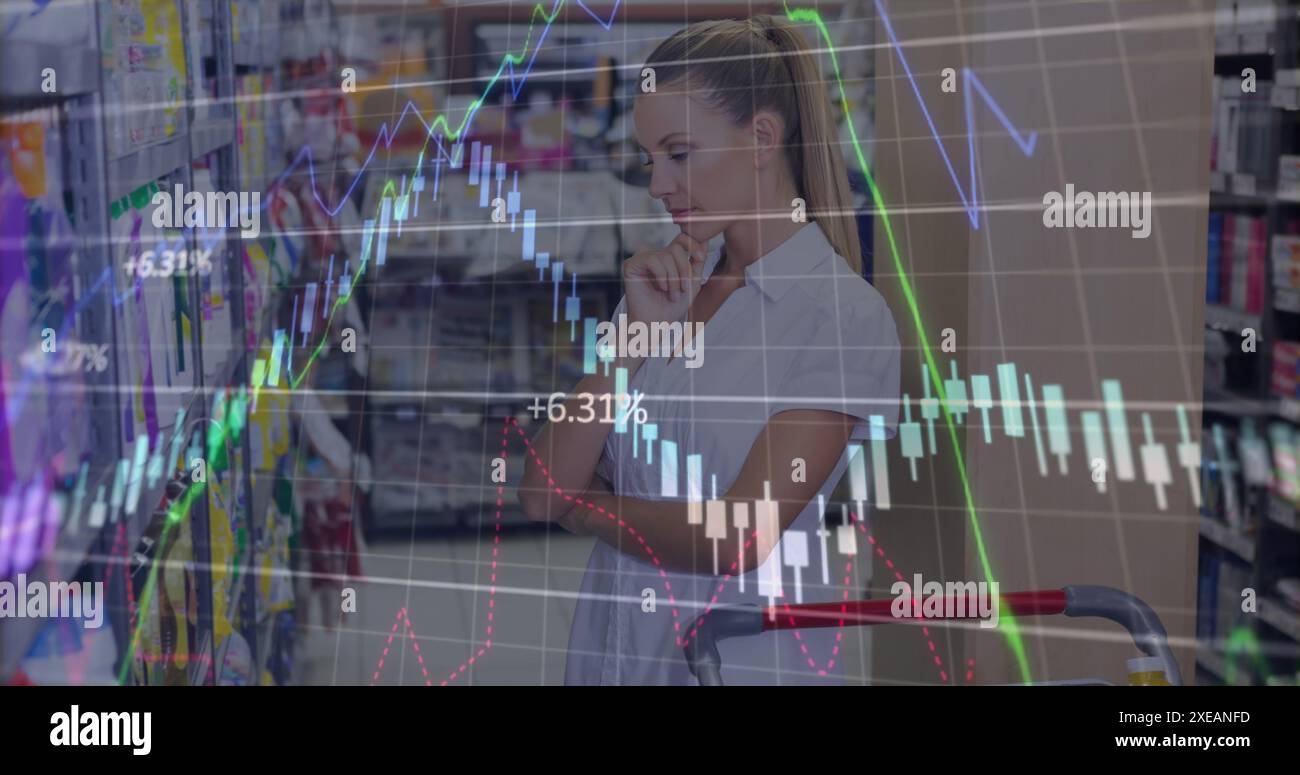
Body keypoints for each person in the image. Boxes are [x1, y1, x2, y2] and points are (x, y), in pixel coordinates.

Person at [519, 15, 901, 685]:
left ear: (760, 137)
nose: (658, 184)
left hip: (741, 660)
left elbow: (739, 537)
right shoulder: (664, 289)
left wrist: (588, 508)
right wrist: (627, 349)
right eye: (649, 159)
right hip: (614, 654)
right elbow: (537, 493)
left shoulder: (840, 318)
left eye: (679, 153)